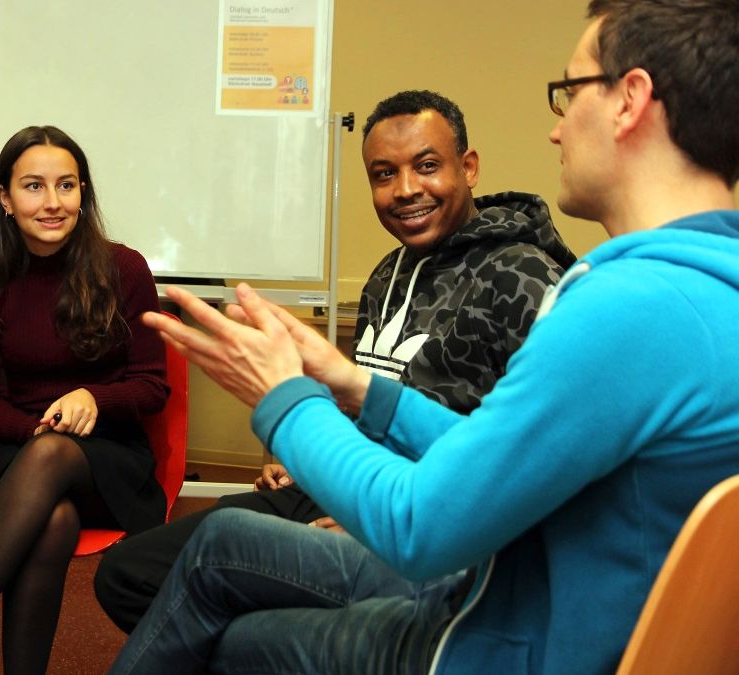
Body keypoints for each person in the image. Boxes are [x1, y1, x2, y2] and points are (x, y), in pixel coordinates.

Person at [112, 0, 739, 672]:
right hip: (534, 601)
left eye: (569, 91)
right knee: (231, 606)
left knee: (231, 633)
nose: (557, 131)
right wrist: (358, 388)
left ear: (629, 100)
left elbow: (421, 525)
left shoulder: (628, 308)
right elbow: (501, 457)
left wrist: (286, 398)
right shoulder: (706, 285)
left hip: (496, 636)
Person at [94, 90, 576, 634]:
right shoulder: (385, 274)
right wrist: (307, 454)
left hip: (419, 520)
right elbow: (365, 397)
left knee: (235, 611)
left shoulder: (523, 278)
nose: (406, 190)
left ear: (468, 168)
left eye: (426, 166)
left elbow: (527, 456)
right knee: (128, 574)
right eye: (384, 174)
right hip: (330, 486)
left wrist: (376, 521)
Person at [0, 126, 170, 675]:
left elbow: (152, 387)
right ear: (5, 198)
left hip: (109, 463)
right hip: (17, 455)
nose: (53, 202)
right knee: (53, 518)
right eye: (34, 186)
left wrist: (96, 396)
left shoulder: (124, 269)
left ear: (83, 193)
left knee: (56, 457)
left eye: (67, 185)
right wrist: (32, 432)